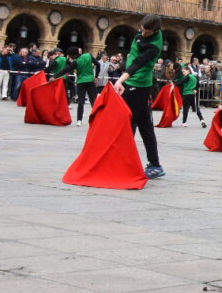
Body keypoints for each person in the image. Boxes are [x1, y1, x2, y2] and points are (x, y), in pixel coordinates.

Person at [111, 14, 166, 178]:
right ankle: (155, 164)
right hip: (140, 85)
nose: (142, 34)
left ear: (156, 31)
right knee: (144, 125)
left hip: (137, 83)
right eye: (141, 30)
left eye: (147, 33)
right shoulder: (148, 34)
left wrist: (120, 80)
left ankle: (124, 161)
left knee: (128, 123)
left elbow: (137, 64)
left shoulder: (153, 48)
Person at [67, 46, 99, 126]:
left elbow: (66, 69)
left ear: (74, 55)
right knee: (93, 101)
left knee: (81, 101)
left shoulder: (76, 62)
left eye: (70, 55)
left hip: (81, 82)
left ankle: (79, 120)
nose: (70, 57)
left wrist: (56, 75)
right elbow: (98, 64)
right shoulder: (88, 55)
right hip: (90, 80)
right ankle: (97, 118)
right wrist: (96, 77)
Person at [174, 62, 205, 127]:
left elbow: (181, 82)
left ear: (188, 70)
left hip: (187, 94)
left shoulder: (187, 77)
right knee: (196, 109)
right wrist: (195, 89)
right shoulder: (195, 77)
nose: (183, 73)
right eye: (182, 71)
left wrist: (175, 84)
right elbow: (198, 85)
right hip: (193, 94)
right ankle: (202, 121)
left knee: (186, 109)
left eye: (184, 71)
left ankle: (184, 123)